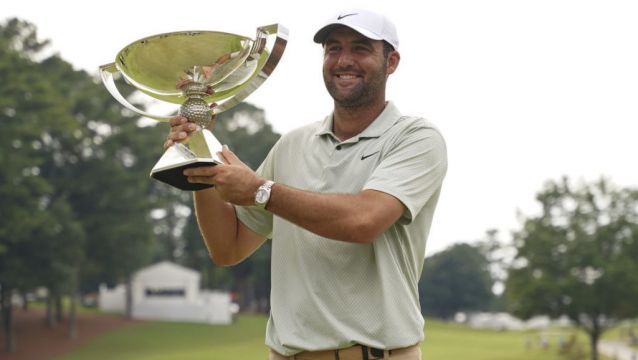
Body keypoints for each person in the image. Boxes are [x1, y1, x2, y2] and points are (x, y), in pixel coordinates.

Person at [165, 9, 447, 360]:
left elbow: (364, 220)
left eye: (360, 48)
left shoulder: (415, 138)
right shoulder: (292, 145)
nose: (344, 60)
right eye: (333, 49)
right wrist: (201, 157)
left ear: (391, 62)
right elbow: (228, 247)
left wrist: (260, 191)